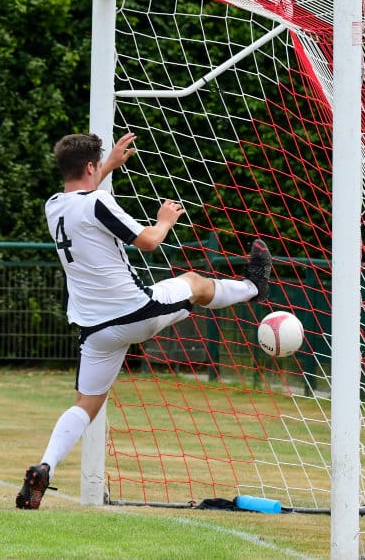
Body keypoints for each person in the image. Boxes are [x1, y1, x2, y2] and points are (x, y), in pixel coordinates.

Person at [16, 132, 271, 510]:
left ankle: (45, 466)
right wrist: (164, 221)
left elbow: (82, 194)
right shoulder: (99, 201)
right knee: (196, 284)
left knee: (86, 403)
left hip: (95, 330)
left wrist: (108, 166)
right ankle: (254, 287)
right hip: (136, 313)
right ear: (90, 166)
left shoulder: (53, 206)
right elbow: (149, 241)